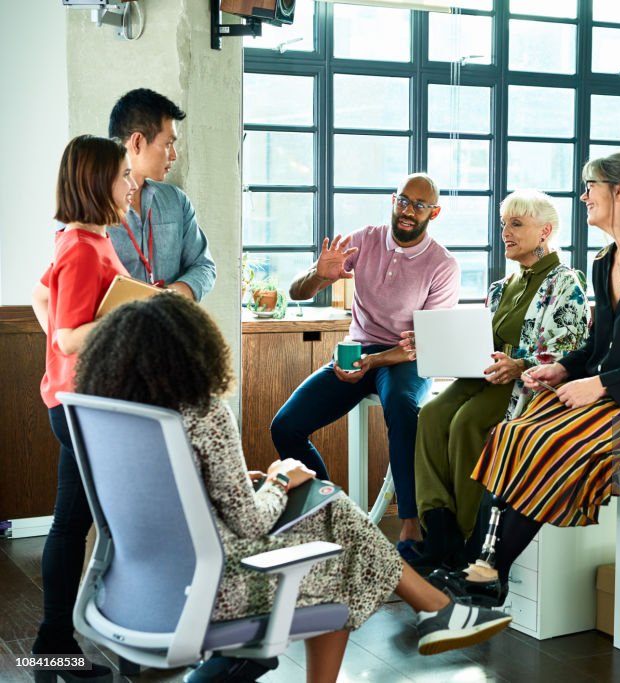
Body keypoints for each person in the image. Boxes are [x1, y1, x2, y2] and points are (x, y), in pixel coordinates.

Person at [73, 294, 512, 683]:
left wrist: (238, 482)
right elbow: (249, 521)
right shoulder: (204, 413)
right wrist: (281, 480)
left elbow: (165, 491)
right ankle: (438, 610)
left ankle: (437, 610)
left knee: (329, 506)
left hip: (134, 587)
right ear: (192, 350)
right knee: (339, 559)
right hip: (216, 587)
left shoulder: (114, 416)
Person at [434, 153, 620, 606]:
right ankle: (478, 567)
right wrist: (564, 368)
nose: (583, 196)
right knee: (512, 433)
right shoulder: (605, 262)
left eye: (590, 186)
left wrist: (598, 385)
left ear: (619, 191)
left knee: (552, 441)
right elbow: (601, 346)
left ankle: (487, 572)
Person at [400, 190, 590, 572]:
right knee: (432, 414)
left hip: (523, 384)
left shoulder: (565, 283)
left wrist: (520, 365)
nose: (505, 232)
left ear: (545, 232)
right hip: (483, 376)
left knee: (466, 423)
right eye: (504, 224)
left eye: (517, 225)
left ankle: (470, 540)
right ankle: (438, 531)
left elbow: (572, 348)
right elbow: (480, 341)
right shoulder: (502, 286)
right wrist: (438, 345)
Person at [271, 173, 459, 551]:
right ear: (393, 201)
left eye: (419, 205)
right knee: (286, 426)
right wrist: (318, 275)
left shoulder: (443, 265)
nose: (408, 211)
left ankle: (410, 525)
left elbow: (422, 346)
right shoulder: (364, 240)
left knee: (403, 409)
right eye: (403, 201)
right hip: (357, 350)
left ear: (433, 213)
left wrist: (373, 364)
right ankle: (330, 512)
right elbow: (297, 292)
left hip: (403, 359)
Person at [28, 135, 139, 681]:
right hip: (82, 407)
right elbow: (72, 337)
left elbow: (41, 298)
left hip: (77, 402)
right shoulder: (79, 246)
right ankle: (73, 644)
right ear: (98, 181)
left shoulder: (80, 239)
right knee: (86, 525)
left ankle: (57, 645)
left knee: (74, 524)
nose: (131, 183)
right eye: (123, 175)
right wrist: (135, 314)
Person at [35, 88, 217, 313]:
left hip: (169, 336)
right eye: (168, 143)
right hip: (116, 342)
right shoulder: (86, 215)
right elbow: (51, 300)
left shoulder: (177, 202)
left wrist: (169, 297)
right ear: (138, 142)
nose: (174, 155)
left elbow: (204, 266)